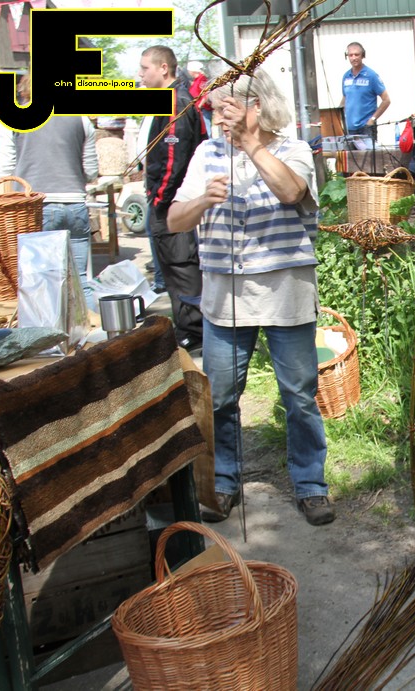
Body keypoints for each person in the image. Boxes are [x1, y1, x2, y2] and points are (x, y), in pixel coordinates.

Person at [167, 70, 336, 527]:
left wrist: (250, 145)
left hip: (285, 293)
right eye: (215, 110)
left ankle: (311, 485)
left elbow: (292, 191)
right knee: (220, 396)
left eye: (227, 109)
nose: (218, 119)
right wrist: (202, 200)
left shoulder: (292, 149)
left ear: (256, 106)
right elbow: (175, 220)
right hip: (225, 297)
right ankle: (223, 481)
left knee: (299, 395)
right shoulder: (207, 153)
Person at [0, 75, 98, 309]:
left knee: (41, 281)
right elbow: (91, 171)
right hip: (75, 205)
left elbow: (4, 169)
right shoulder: (81, 118)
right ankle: (93, 330)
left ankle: (49, 330)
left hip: (35, 208)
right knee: (81, 279)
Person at [139, 45, 208, 352]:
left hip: (173, 203)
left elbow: (174, 158)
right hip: (170, 200)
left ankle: (194, 330)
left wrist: (160, 199)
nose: (140, 75)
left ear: (163, 68)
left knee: (181, 265)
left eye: (145, 69)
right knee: (172, 265)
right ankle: (188, 326)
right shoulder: (169, 100)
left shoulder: (175, 103)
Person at [338, 42, 390, 139]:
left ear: (363, 55)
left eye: (356, 54)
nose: (354, 58)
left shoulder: (371, 75)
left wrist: (372, 119)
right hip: (349, 128)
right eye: (350, 55)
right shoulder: (346, 76)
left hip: (366, 128)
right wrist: (338, 118)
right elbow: (345, 98)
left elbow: (386, 100)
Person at [187, 60, 213, 133]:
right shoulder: (196, 80)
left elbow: (206, 93)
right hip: (198, 108)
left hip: (203, 109)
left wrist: (200, 105)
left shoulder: (202, 79)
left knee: (206, 128)